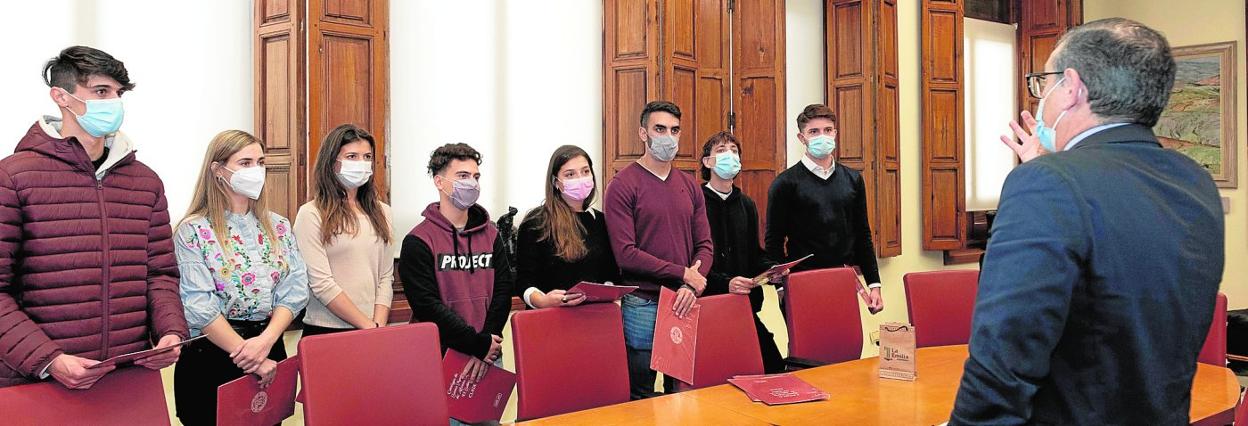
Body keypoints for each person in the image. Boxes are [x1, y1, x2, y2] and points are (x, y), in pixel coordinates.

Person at [950, 18, 1224, 425]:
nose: (1040, 96)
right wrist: (1052, 172)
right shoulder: (1194, 181)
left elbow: (1004, 358)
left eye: (1044, 82)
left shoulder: (1050, 184)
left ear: (1072, 86)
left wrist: (1045, 179)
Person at [0, 46, 187, 388]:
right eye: (101, 92)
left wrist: (170, 331)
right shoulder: (13, 177)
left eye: (119, 94)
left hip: (125, 377)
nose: (114, 102)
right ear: (61, 97)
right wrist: (49, 360)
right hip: (38, 382)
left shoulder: (145, 182)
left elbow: (160, 273)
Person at [173, 130, 308, 425]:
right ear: (218, 170)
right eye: (245, 162)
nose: (256, 171)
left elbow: (295, 290)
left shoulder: (279, 226)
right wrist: (250, 356)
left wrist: (266, 342)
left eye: (260, 162)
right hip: (213, 353)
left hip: (270, 344)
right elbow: (198, 304)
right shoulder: (192, 230)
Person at [605, 101, 713, 399]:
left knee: (682, 395)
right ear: (643, 133)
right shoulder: (623, 185)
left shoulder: (690, 185)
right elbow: (626, 253)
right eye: (660, 129)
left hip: (684, 301)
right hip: (643, 304)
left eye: (675, 130)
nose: (668, 137)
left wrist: (691, 284)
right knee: (640, 396)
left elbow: (705, 246)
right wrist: (683, 274)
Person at [399, 143, 513, 387]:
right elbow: (426, 305)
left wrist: (487, 345)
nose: (471, 183)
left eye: (476, 176)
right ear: (439, 182)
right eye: (462, 176)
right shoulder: (418, 241)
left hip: (490, 355)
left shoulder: (491, 234)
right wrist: (476, 345)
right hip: (440, 354)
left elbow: (503, 292)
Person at [765, 104, 884, 313]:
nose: (823, 136)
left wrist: (874, 285)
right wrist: (780, 288)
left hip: (844, 281)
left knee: (845, 344)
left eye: (827, 130)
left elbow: (863, 234)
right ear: (802, 138)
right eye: (814, 131)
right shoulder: (784, 183)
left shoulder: (853, 179)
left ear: (835, 133)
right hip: (801, 283)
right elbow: (774, 241)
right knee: (805, 346)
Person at [294, 124, 395, 336]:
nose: (362, 163)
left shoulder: (382, 212)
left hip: (374, 329)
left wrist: (377, 325)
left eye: (367, 157)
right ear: (332, 162)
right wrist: (366, 326)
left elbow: (386, 277)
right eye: (352, 156)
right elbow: (321, 283)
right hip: (326, 329)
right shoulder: (311, 214)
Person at [697, 131, 784, 374]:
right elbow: (691, 260)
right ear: (707, 162)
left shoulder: (746, 204)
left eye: (734, 151)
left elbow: (753, 254)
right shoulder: (695, 203)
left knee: (775, 368)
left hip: (744, 305)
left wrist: (771, 269)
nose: (730, 156)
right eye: (722, 151)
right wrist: (725, 284)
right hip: (708, 305)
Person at [516, 145, 619, 309]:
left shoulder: (603, 221)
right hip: (550, 319)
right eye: (570, 174)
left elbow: (610, 273)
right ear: (556, 182)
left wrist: (607, 290)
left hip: (593, 316)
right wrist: (543, 301)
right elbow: (524, 282)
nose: (580, 178)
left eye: (585, 172)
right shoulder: (536, 222)